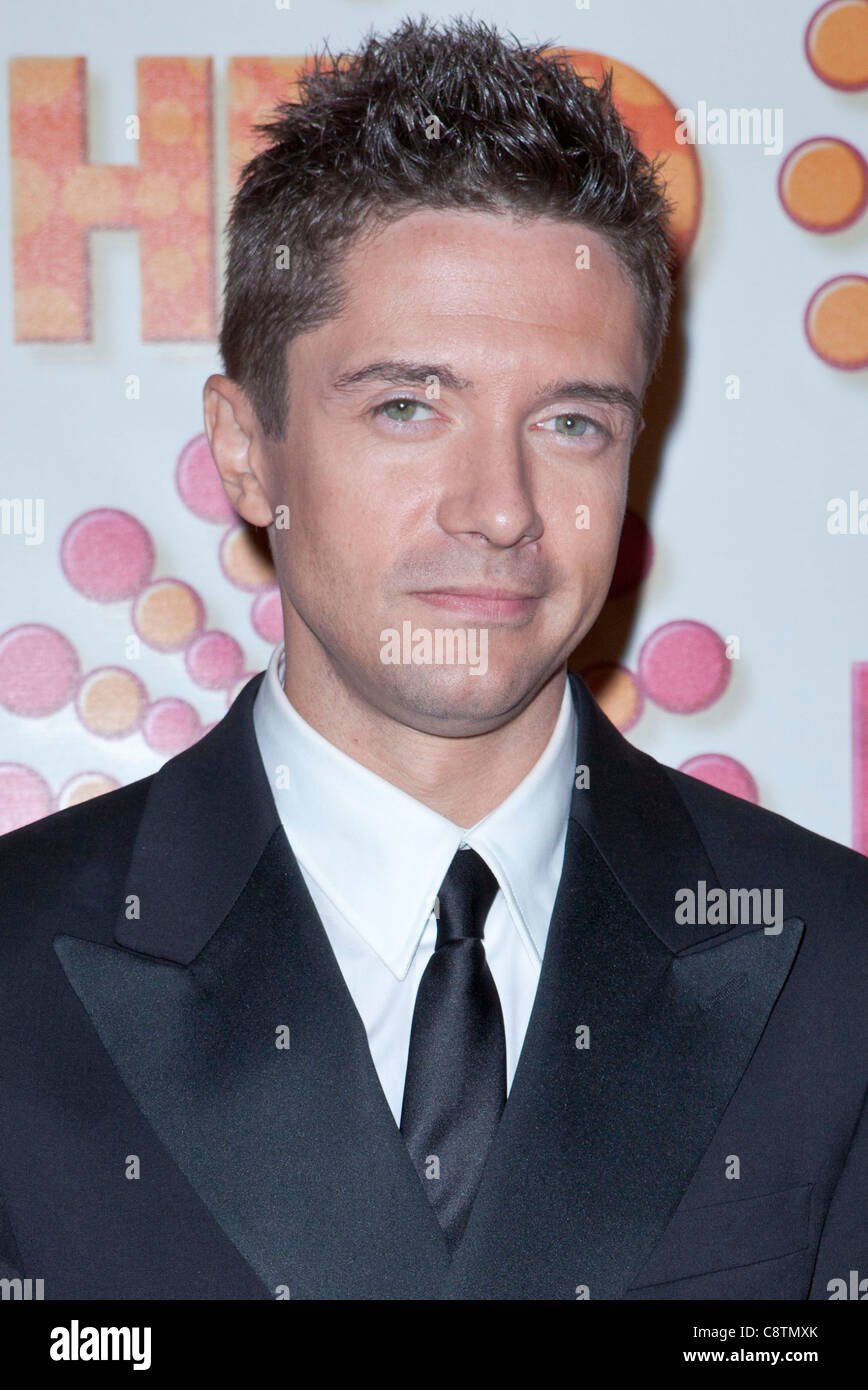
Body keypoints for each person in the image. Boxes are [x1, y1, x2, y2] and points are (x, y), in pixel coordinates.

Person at [1, 15, 866, 1302]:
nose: (500, 506)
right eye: (409, 405)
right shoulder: (18, 968)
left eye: (571, 421)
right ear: (246, 448)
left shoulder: (838, 969)